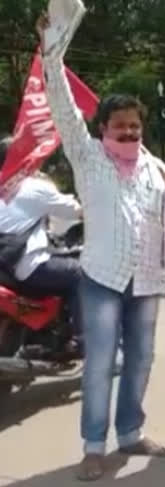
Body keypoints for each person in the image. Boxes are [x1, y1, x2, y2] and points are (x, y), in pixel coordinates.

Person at [38, 13, 165, 481]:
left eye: (135, 127)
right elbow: (60, 101)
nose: (128, 134)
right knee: (101, 362)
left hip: (146, 279)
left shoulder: (157, 167)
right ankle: (93, 446)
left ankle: (131, 433)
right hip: (100, 277)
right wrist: (50, 50)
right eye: (120, 126)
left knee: (141, 360)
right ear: (102, 128)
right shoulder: (85, 156)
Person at [0, 136, 83, 353]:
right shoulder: (34, 186)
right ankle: (86, 340)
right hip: (25, 266)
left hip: (4, 268)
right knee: (81, 274)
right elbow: (75, 211)